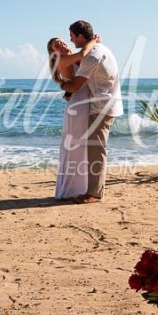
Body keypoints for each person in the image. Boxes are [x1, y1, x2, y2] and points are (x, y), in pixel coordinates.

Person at [60, 20, 123, 203]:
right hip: (105, 104)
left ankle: (94, 193)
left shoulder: (93, 55)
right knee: (95, 148)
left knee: (96, 149)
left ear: (81, 36)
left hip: (102, 106)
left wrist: (62, 85)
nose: (71, 40)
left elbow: (76, 85)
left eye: (72, 36)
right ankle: (92, 189)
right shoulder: (98, 49)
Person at [47, 34, 99, 200]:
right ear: (54, 53)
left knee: (82, 145)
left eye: (62, 41)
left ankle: (81, 186)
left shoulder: (73, 59)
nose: (62, 44)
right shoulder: (63, 60)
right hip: (78, 104)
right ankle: (72, 189)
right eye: (57, 45)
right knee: (76, 145)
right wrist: (93, 41)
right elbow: (83, 53)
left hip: (83, 101)